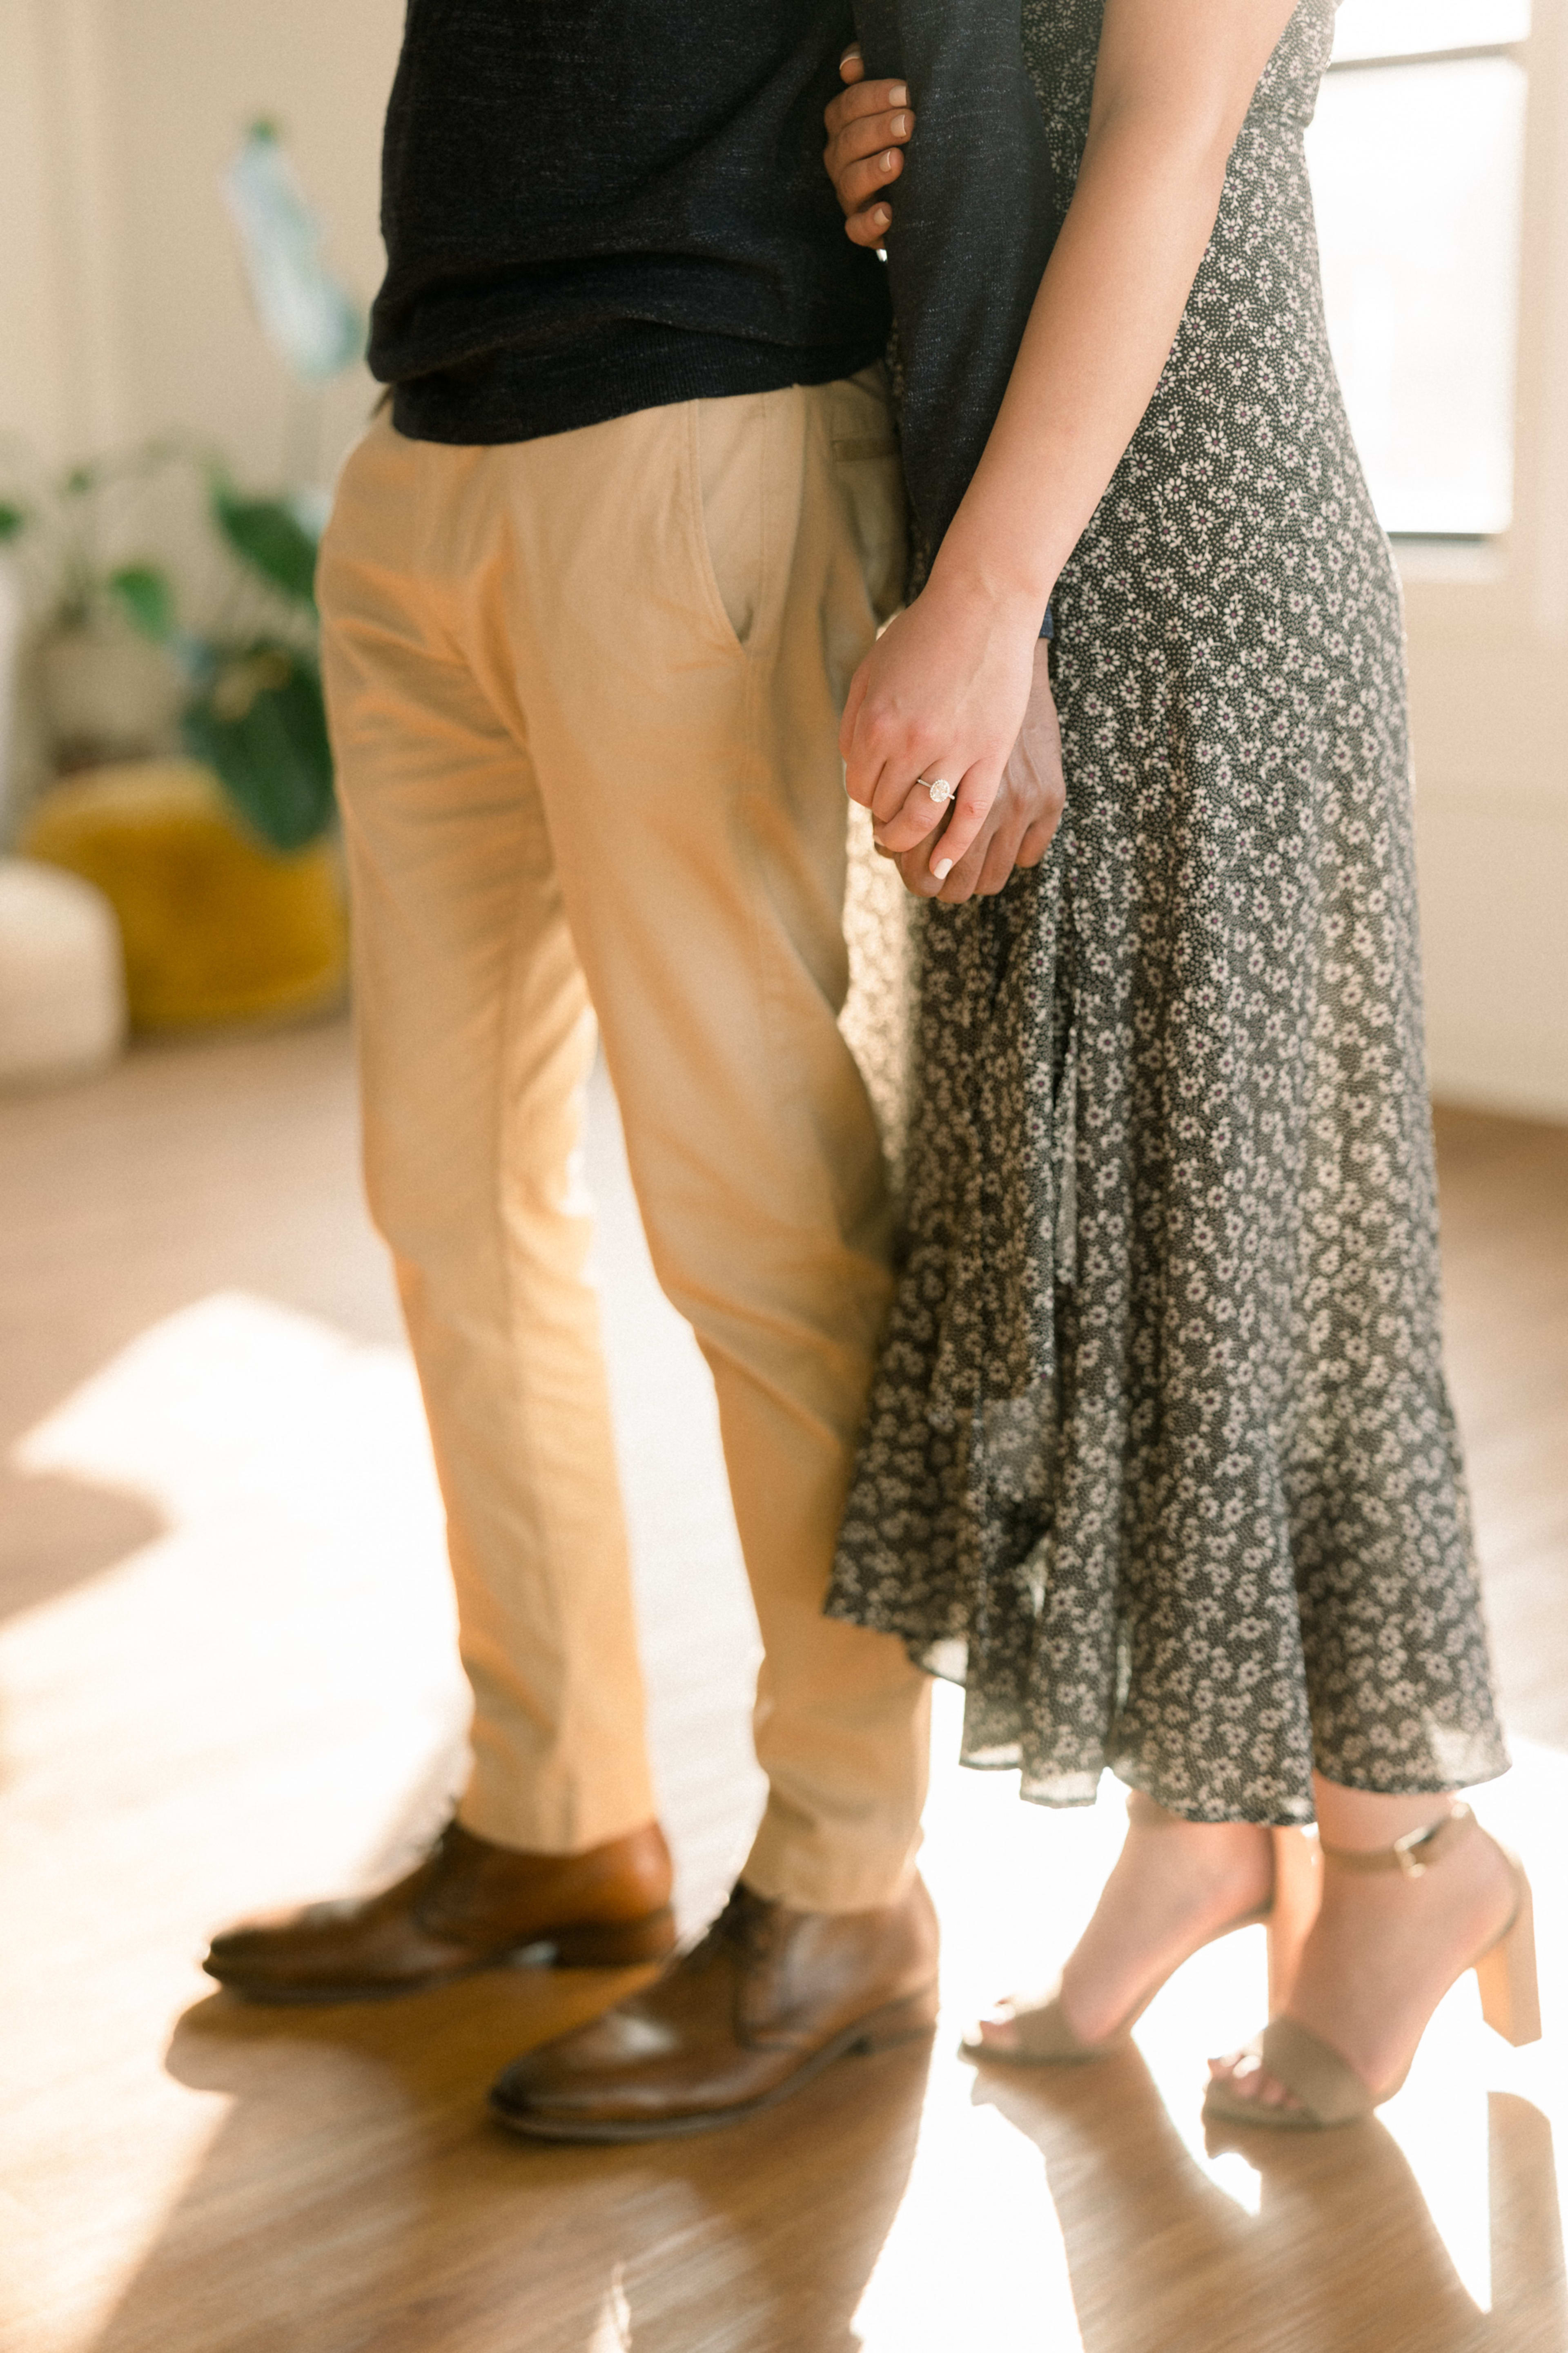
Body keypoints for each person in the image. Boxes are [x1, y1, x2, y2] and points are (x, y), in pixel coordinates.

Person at [203, 0, 1062, 2142]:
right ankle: (554, 1807)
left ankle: (849, 1880)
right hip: (431, 442)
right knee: (445, 1190)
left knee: (752, 1210)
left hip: (692, 410)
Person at [815, 0, 1538, 2129]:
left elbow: (1167, 149)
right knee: (1110, 1257)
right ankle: (1202, 1822)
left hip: (1191, 561)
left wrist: (985, 593)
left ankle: (1406, 1848)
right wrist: (901, 145)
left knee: (1258, 1253)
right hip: (1043, 561)